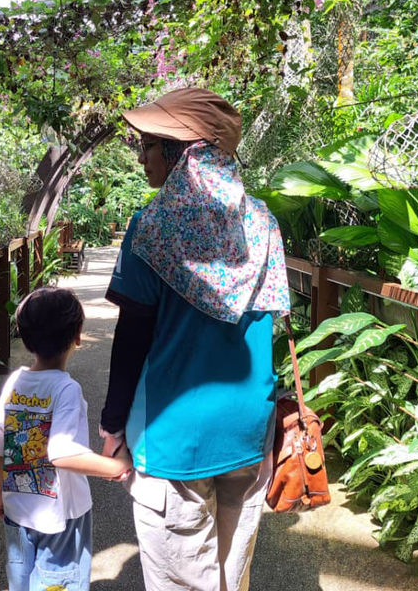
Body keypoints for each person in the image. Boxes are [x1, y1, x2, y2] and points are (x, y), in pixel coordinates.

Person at [99, 88, 291, 591]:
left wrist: (112, 425)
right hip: (250, 435)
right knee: (233, 576)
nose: (141, 157)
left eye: (147, 145)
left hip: (176, 442)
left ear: (180, 152)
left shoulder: (152, 227)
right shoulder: (264, 223)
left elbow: (132, 338)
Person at [0, 287, 132, 591]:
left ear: (26, 339)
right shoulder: (65, 389)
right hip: (62, 518)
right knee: (58, 582)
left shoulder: (14, 383)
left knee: (21, 580)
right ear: (77, 336)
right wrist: (115, 465)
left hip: (17, 509)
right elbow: (62, 451)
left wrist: (0, 491)